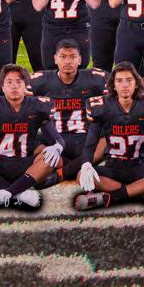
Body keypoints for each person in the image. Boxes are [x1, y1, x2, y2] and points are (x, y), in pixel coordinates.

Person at [0, 64, 63, 211]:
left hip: (25, 163)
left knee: (54, 157)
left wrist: (57, 147)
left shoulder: (38, 106)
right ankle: (18, 192)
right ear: (2, 86)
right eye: (9, 82)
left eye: (19, 82)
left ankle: (4, 193)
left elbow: (57, 139)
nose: (14, 86)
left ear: (26, 86)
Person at [73, 63, 144, 211]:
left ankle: (110, 196)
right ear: (113, 85)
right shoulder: (101, 106)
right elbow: (90, 144)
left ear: (136, 83)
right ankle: (139, 193)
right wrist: (86, 163)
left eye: (129, 80)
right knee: (81, 175)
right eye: (119, 81)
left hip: (138, 167)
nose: (125, 85)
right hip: (112, 167)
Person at [30, 38, 107, 181]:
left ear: (80, 59)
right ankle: (74, 167)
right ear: (55, 59)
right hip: (54, 141)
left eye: (73, 57)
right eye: (63, 57)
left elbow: (119, 92)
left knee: (107, 139)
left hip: (84, 140)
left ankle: (62, 173)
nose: (68, 61)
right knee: (25, 140)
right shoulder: (41, 80)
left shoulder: (94, 78)